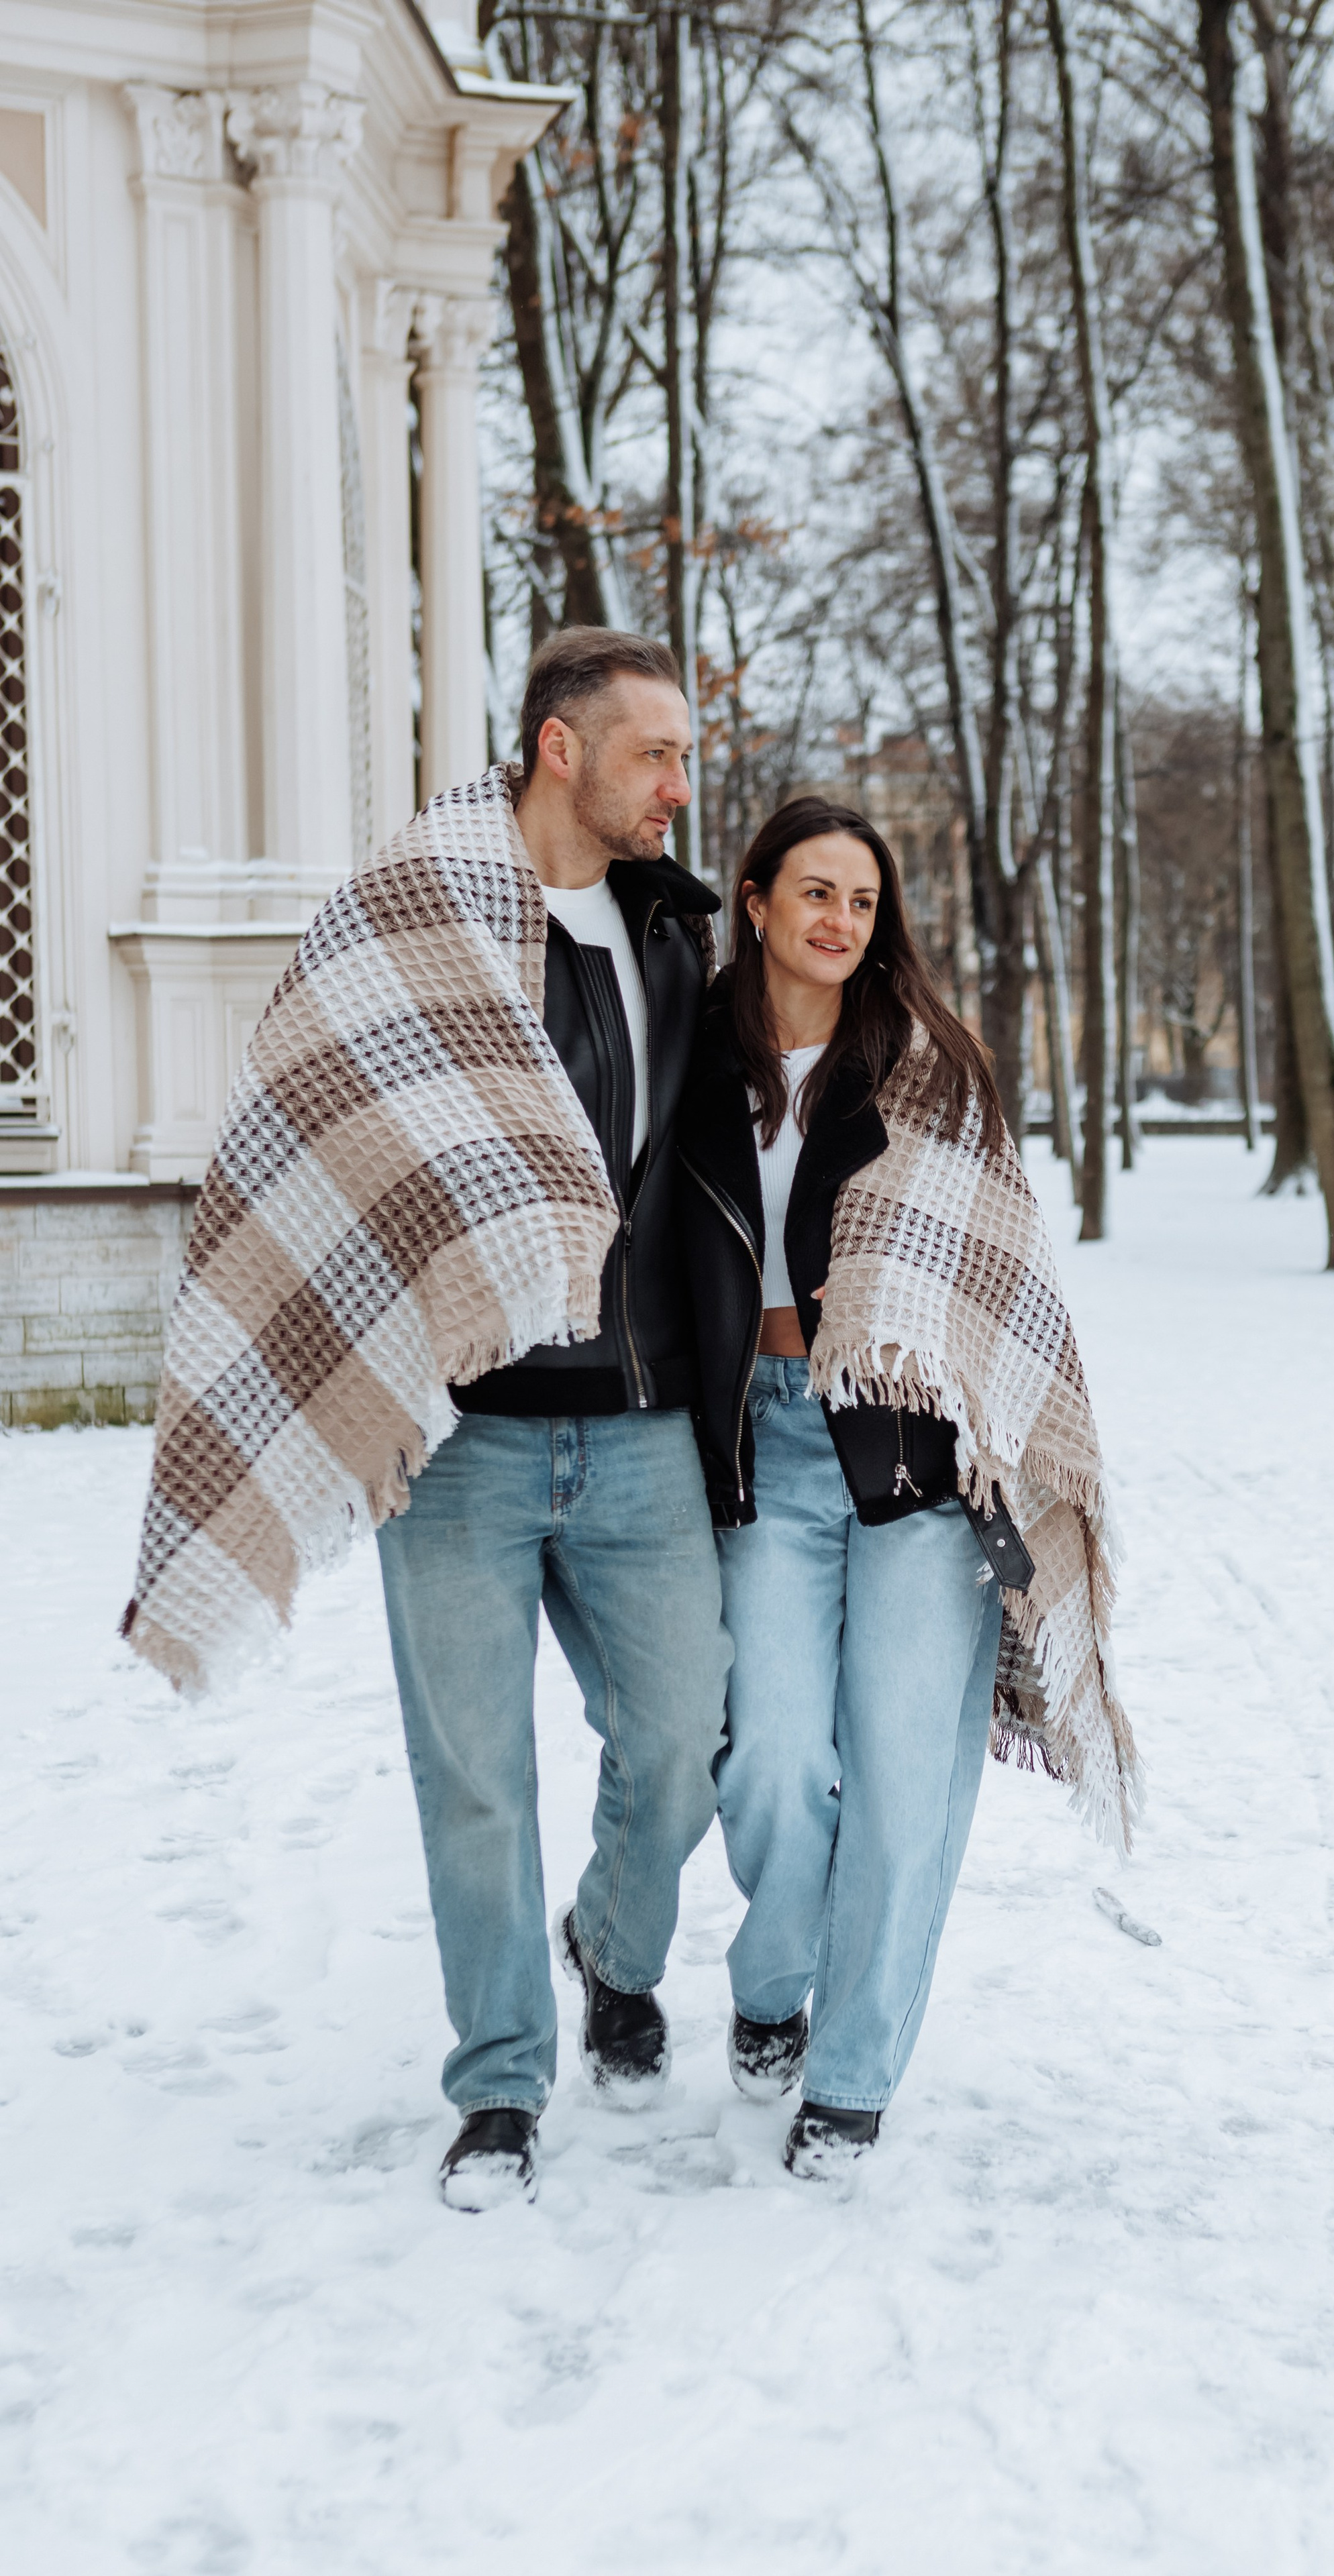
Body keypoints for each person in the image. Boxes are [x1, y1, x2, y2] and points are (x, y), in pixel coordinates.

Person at [374, 631, 730, 2210]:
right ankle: (501, 2087)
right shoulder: (422, 924)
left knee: (683, 1738)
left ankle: (612, 1942)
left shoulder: (672, 930)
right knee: (474, 1778)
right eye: (654, 753)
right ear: (556, 750)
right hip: (458, 1435)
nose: (677, 785)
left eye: (684, 756)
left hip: (642, 1417)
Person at [680, 797, 1045, 2177]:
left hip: (911, 1463)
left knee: (902, 1787)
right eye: (815, 894)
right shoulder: (688, 1054)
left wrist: (906, 1298)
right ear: (757, 899)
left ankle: (850, 2074)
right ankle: (772, 1980)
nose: (840, 923)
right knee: (772, 1763)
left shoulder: (930, 1066)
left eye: (864, 902)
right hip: (762, 1444)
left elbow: (1000, 1269)